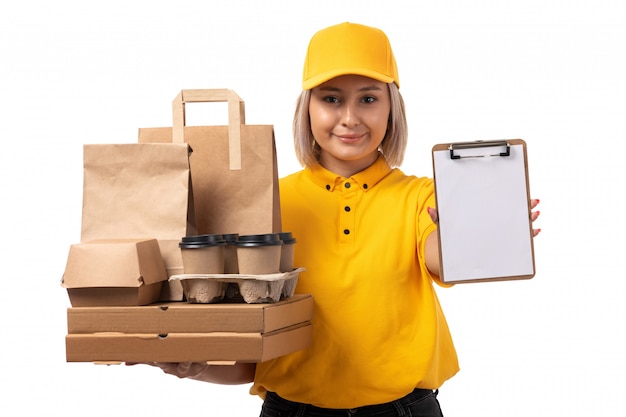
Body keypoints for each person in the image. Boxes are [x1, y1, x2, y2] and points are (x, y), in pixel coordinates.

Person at [132, 22, 541, 416]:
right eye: (331, 99)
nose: (350, 117)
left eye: (368, 98)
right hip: (290, 412)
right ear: (307, 107)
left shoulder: (422, 197)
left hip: (404, 412)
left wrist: (475, 231)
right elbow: (252, 355)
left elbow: (440, 257)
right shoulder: (267, 200)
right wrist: (198, 365)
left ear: (391, 108)